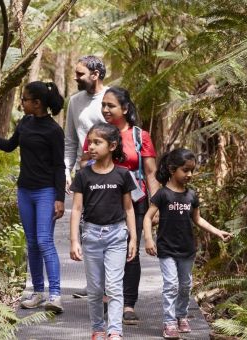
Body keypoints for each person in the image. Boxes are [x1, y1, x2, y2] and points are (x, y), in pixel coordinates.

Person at [0, 81, 66, 314]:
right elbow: (10, 146)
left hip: (46, 192)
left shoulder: (53, 130)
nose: (22, 103)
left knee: (44, 240)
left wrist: (59, 198)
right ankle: (38, 292)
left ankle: (55, 295)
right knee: (32, 242)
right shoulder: (25, 123)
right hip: (25, 190)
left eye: (25, 99)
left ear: (37, 103)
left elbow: (59, 166)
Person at [80, 87, 159, 324]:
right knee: (103, 249)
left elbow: (151, 172)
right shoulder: (97, 133)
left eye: (111, 106)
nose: (105, 110)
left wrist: (156, 208)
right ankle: (106, 298)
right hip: (103, 199)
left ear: (124, 109)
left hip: (135, 201)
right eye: (103, 105)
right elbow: (85, 164)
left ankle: (128, 304)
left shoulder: (139, 136)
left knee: (130, 252)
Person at [143, 148, 232, 339]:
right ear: (172, 169)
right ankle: (169, 321)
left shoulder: (191, 195)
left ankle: (181, 316)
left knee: (185, 285)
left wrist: (218, 232)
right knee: (171, 285)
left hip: (187, 249)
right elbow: (148, 217)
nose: (189, 174)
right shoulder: (162, 194)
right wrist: (149, 239)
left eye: (192, 170)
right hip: (166, 248)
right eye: (185, 170)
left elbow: (198, 220)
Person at [69, 122, 137, 340]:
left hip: (117, 235)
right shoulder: (83, 175)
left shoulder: (123, 174)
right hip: (91, 236)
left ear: (112, 145)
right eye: (90, 142)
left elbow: (129, 208)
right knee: (96, 289)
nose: (91, 146)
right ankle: (98, 329)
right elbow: (77, 209)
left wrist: (133, 237)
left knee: (115, 287)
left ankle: (115, 330)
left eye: (97, 142)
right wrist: (74, 241)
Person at [64, 55, 109, 299]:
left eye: (80, 74)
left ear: (95, 74)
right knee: (87, 226)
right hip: (86, 172)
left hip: (111, 171)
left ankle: (109, 284)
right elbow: (70, 139)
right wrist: (66, 170)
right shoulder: (74, 102)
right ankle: (94, 282)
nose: (76, 77)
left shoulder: (112, 97)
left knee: (112, 225)